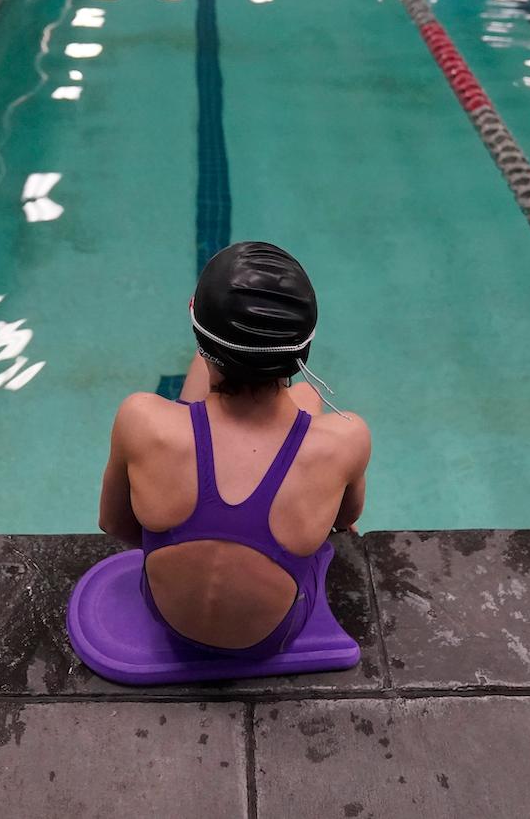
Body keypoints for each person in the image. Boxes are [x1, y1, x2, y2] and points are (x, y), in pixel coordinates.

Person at [98, 241, 371, 654]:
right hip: (270, 636)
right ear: (302, 349)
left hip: (168, 617)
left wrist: (193, 530)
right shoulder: (349, 437)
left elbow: (115, 524)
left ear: (199, 330)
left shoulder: (139, 419)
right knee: (309, 402)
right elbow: (344, 521)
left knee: (202, 405)